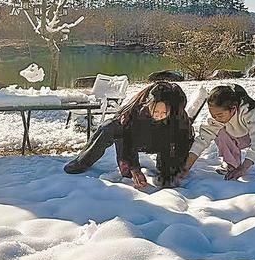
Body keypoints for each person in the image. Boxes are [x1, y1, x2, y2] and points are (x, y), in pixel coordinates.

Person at [63, 81, 193, 189]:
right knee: (108, 128)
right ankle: (82, 162)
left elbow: (183, 142)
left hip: (163, 140)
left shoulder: (178, 117)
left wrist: (176, 167)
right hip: (137, 138)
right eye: (155, 111)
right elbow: (127, 139)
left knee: (169, 175)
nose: (158, 115)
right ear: (149, 105)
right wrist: (134, 168)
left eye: (163, 112)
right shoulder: (135, 111)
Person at [178, 84, 255, 181]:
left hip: (253, 135)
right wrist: (186, 167)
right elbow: (202, 139)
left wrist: (243, 168)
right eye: (213, 115)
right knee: (219, 131)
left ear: (233, 108)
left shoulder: (247, 110)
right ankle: (231, 164)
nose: (216, 118)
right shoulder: (216, 115)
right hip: (234, 138)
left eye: (220, 115)